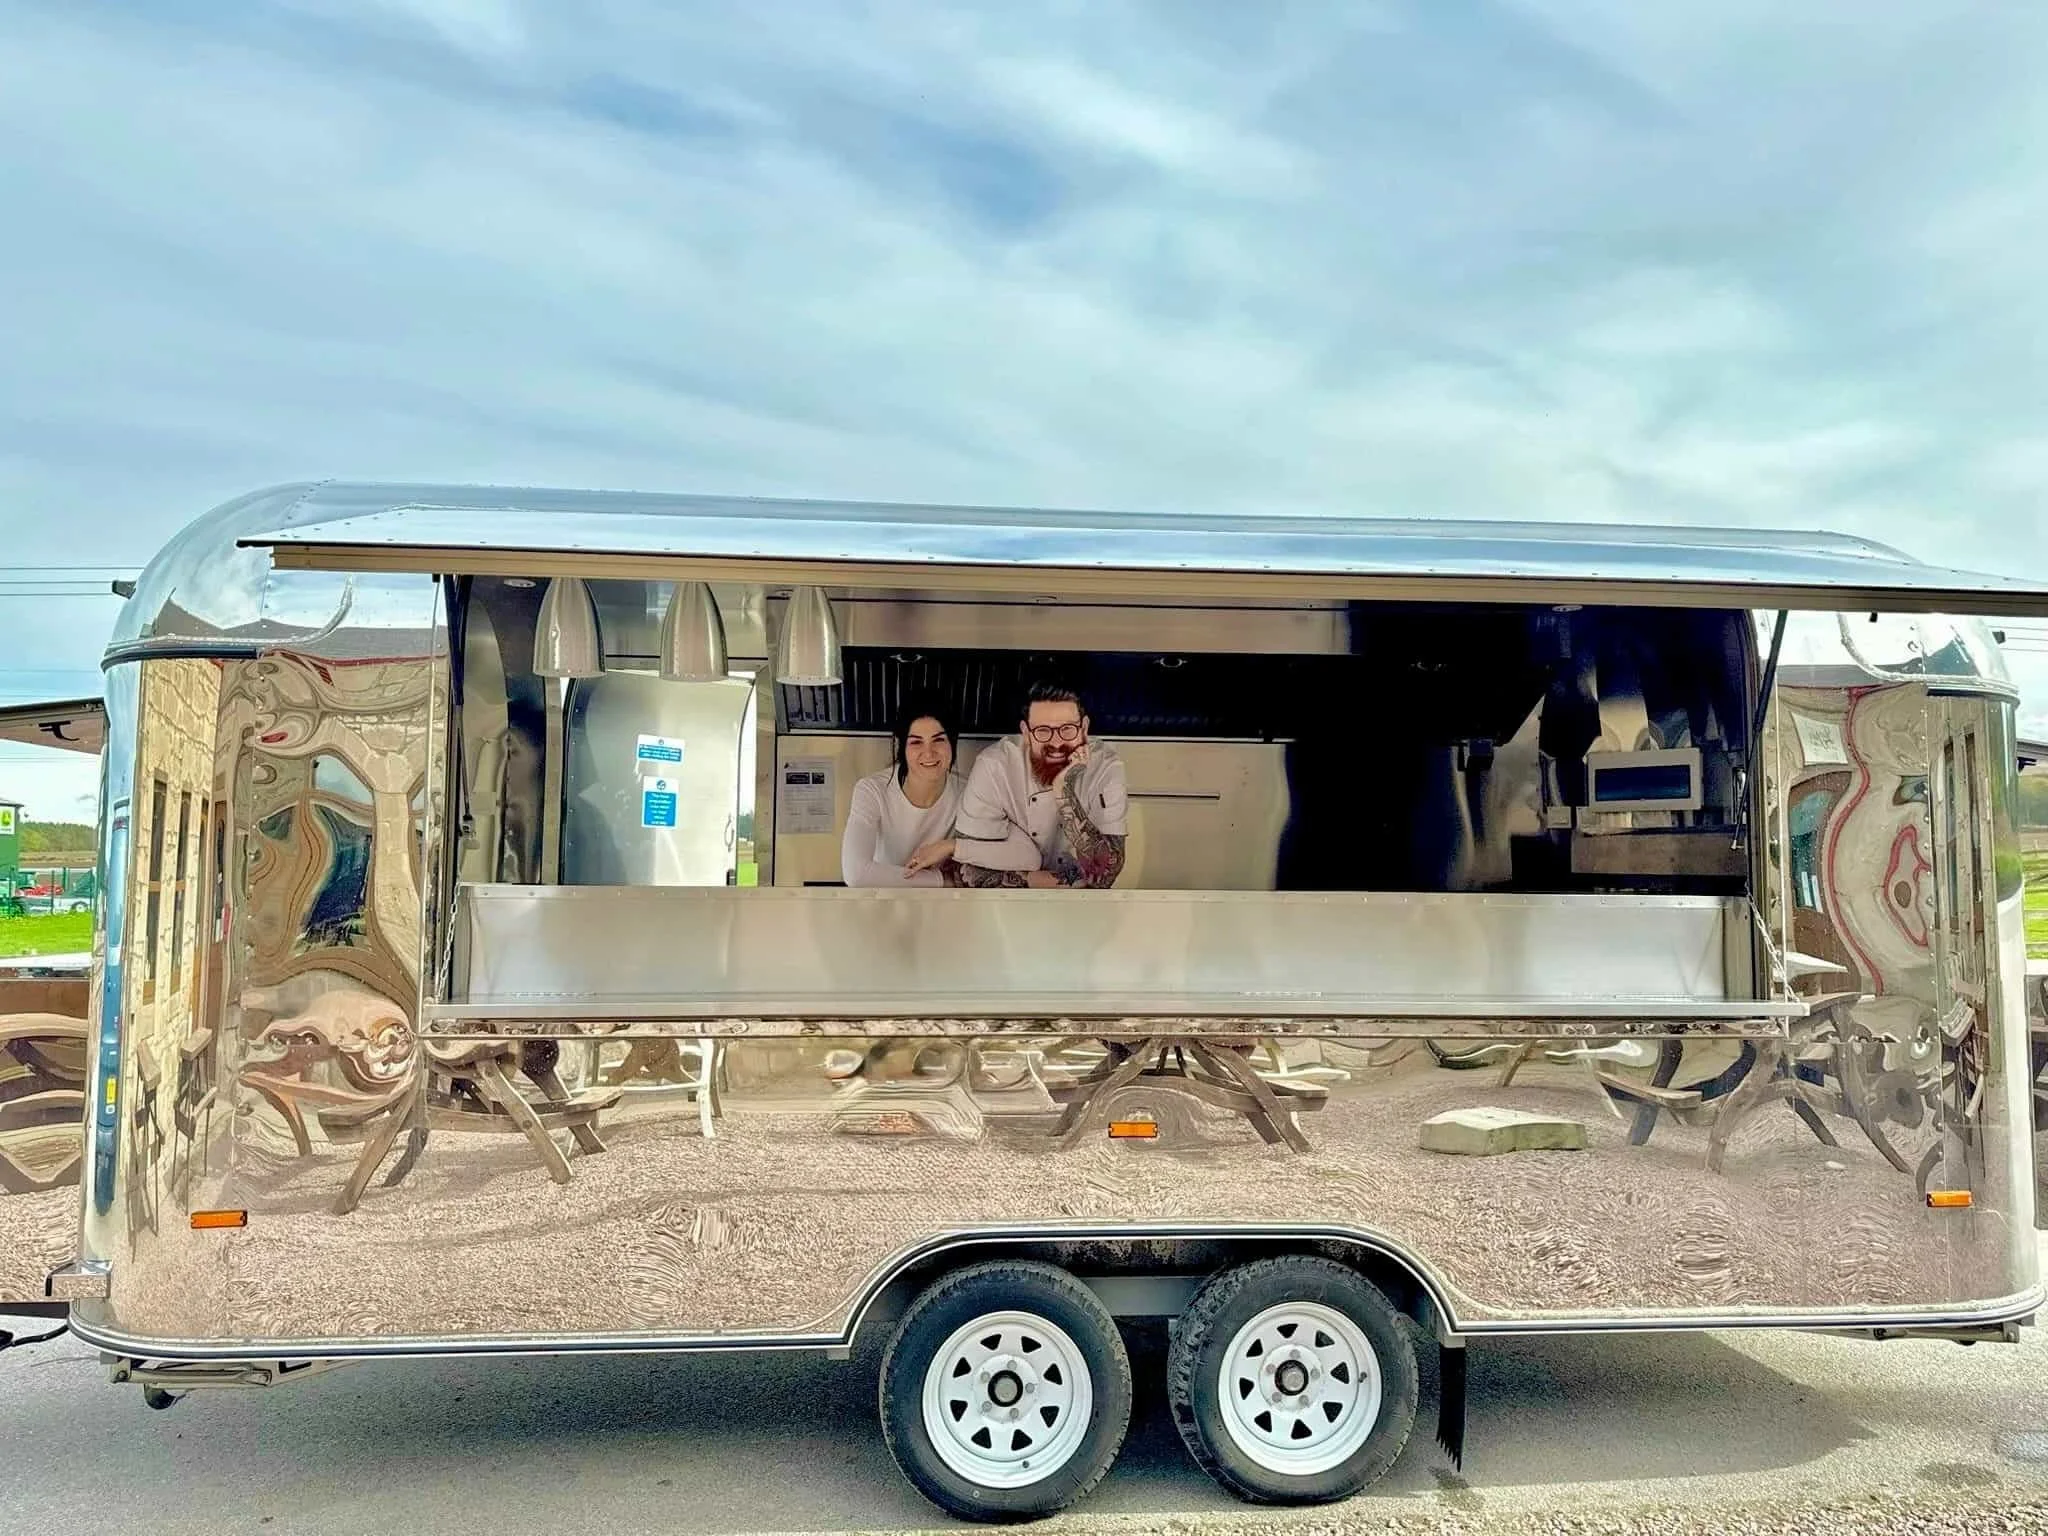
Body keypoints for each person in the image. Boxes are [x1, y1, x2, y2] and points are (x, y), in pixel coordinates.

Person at [934, 679, 1128, 888]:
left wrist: (1064, 792)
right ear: (1026, 733)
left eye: (1068, 729)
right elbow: (967, 871)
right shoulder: (995, 766)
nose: (1056, 743)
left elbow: (1104, 875)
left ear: (1085, 728)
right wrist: (1051, 882)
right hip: (1003, 904)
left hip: (1081, 905)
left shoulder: (1106, 768)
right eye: (1043, 731)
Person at [840, 699, 965, 887]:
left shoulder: (968, 793)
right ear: (902, 746)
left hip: (944, 907)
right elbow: (856, 873)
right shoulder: (872, 790)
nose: (929, 753)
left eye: (938, 740)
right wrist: (940, 881)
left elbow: (992, 853)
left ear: (952, 742)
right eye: (916, 742)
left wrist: (951, 846)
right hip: (882, 904)